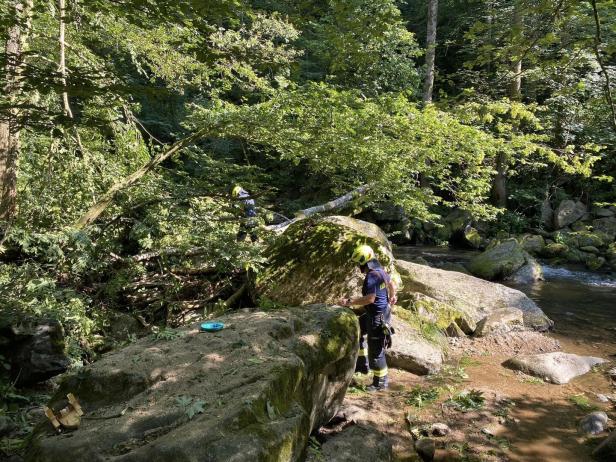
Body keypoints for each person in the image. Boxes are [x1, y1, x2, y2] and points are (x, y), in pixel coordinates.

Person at [339, 244, 397, 391]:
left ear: (363, 262)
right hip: (380, 313)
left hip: (377, 317)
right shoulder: (380, 271)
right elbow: (391, 284)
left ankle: (380, 383)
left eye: (359, 263)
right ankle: (362, 365)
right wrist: (392, 296)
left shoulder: (372, 275)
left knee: (376, 351)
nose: (358, 266)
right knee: (358, 328)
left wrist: (349, 302)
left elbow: (370, 298)